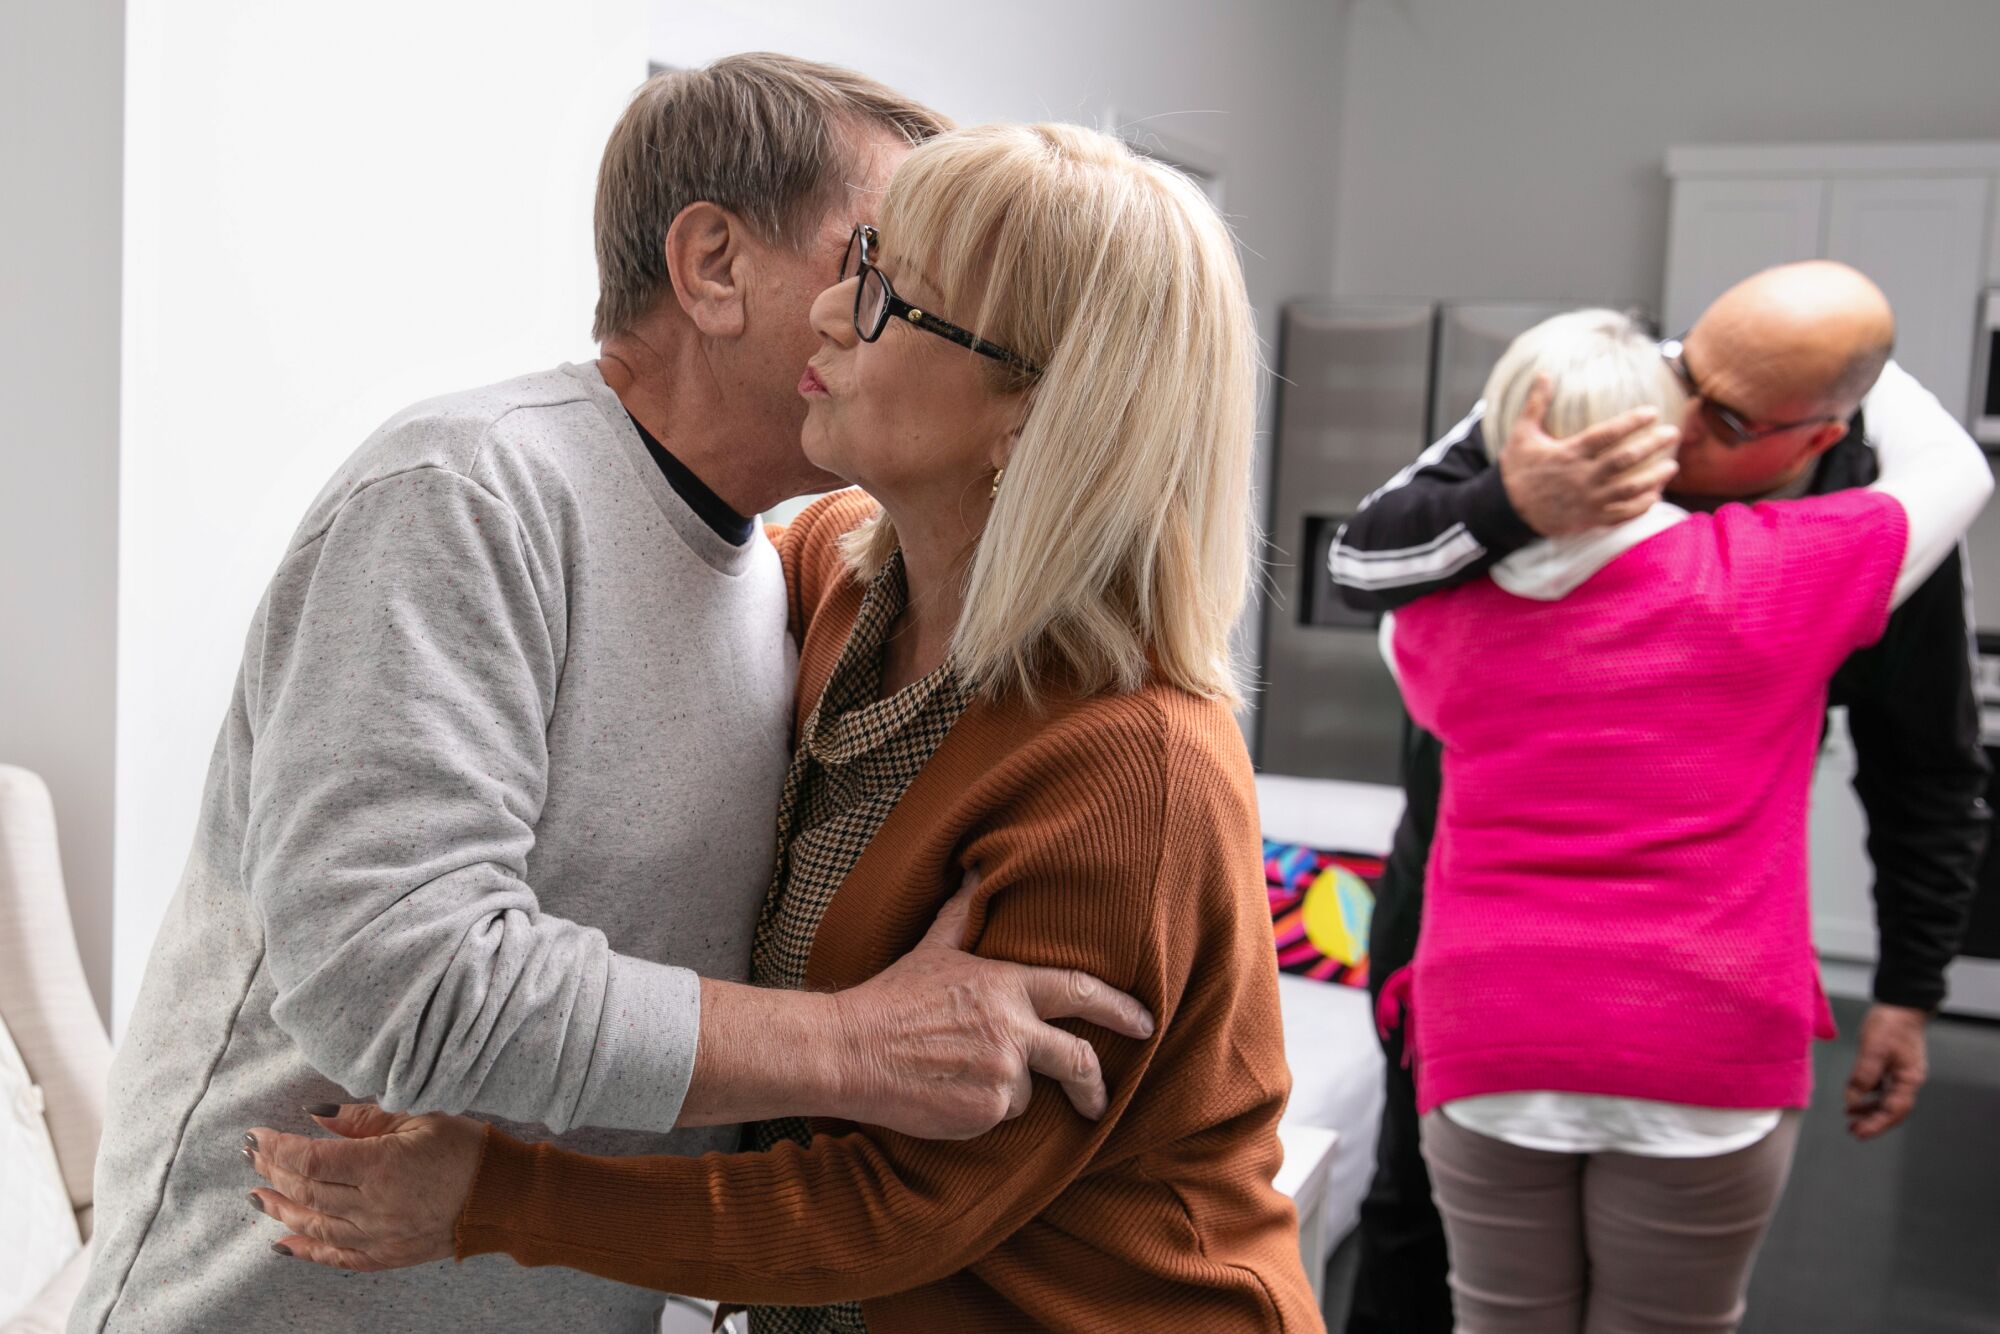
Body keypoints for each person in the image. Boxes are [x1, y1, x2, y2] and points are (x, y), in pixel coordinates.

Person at [73, 58, 1156, 1334]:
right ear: (709, 266)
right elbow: (402, 984)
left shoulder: (786, 573)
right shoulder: (466, 494)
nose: (878, 314)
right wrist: (854, 1044)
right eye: (870, 262)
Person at [242, 120, 1324, 1332]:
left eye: (884, 295)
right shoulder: (834, 583)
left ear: (1029, 410)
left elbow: (899, 1204)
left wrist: (491, 1192)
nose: (827, 312)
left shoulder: (1132, 770)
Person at [1329, 262, 1992, 1334]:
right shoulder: (1767, 551)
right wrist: (1508, 499)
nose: (1674, 431)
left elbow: (1923, 769)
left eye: (1722, 412)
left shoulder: (1841, 517)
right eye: (1678, 378)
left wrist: (1908, 986)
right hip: (1475, 971)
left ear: (1823, 432)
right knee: (1409, 1233)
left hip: (1564, 1006)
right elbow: (1357, 556)